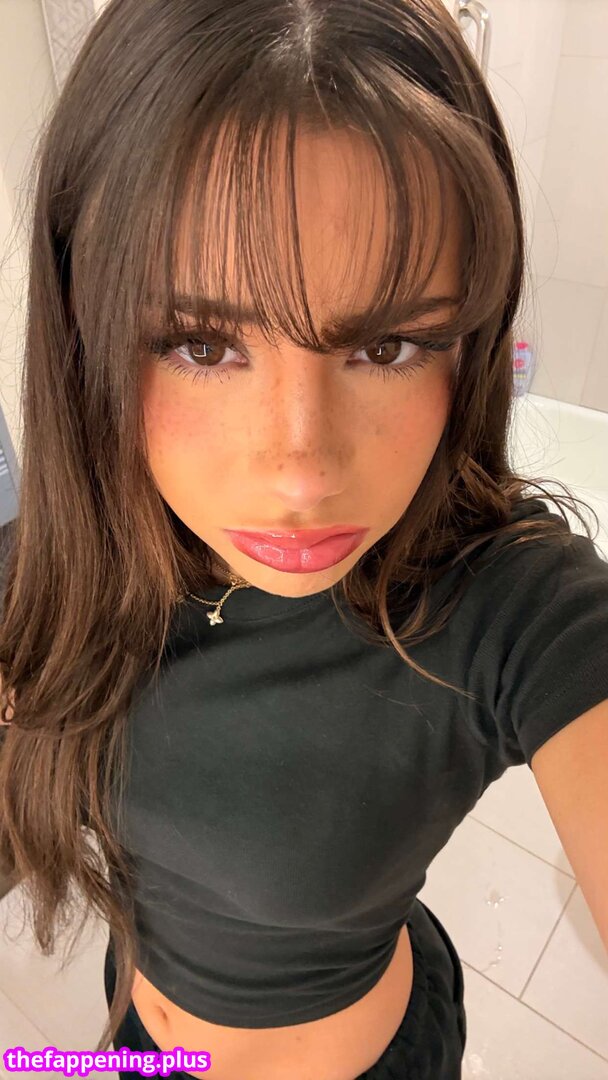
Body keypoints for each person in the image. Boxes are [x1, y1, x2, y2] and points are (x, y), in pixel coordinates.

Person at [1, 1, 607, 1078]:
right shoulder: (52, 568)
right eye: (200, 345)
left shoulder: (508, 606)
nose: (301, 471)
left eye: (390, 344)